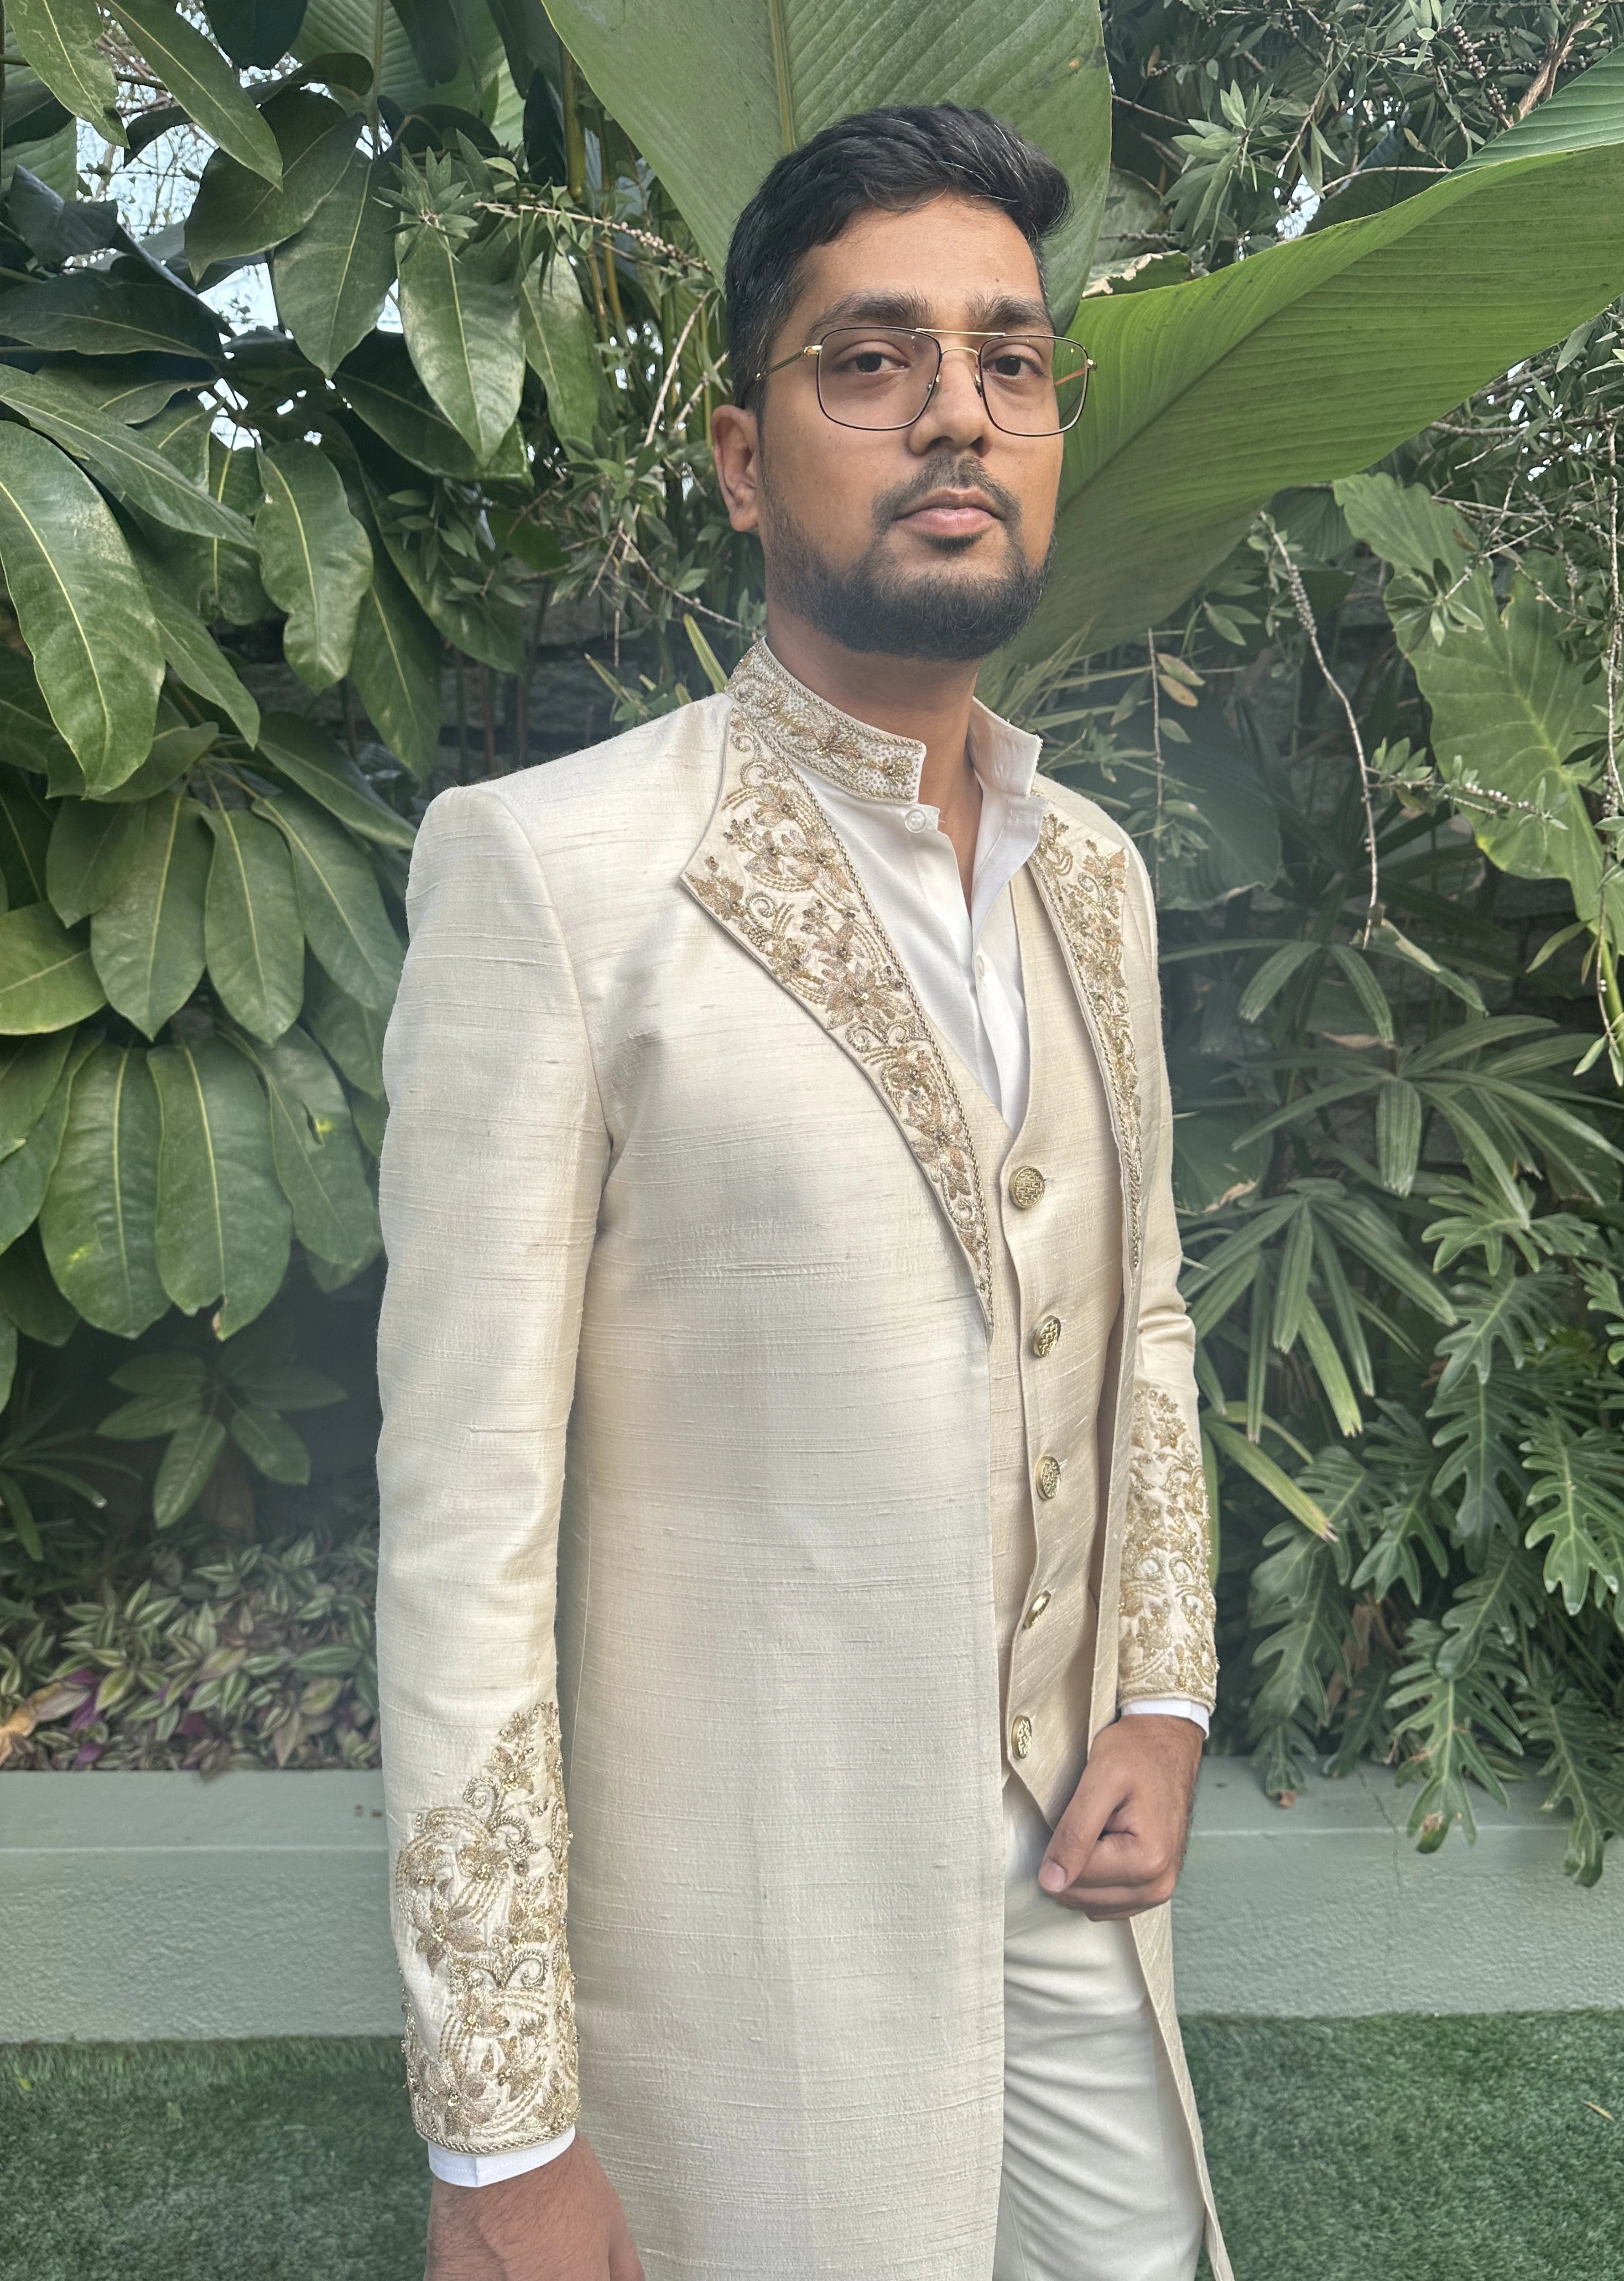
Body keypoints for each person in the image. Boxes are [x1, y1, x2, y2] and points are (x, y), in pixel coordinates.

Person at [376, 101, 1229, 2281]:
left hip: (1068, 1888)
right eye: (870, 359)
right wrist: (497, 2126)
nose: (956, 411)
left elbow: (1135, 1315)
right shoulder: (556, 876)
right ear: (746, 459)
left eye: (1008, 360)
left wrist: (1159, 1689)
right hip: (755, 1946)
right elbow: (467, 1532)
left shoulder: (1092, 874)